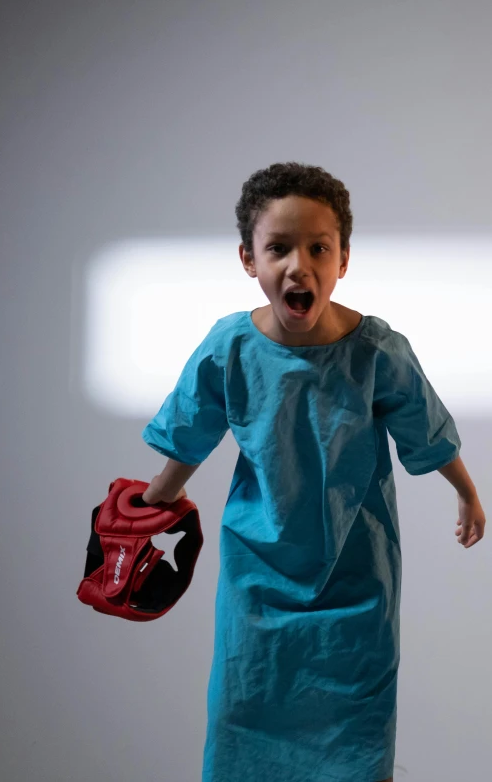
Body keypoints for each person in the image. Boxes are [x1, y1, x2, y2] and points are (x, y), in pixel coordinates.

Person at [141, 162, 486, 782]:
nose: (299, 265)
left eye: (318, 248)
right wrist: (150, 506)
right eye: (278, 248)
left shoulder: (377, 350)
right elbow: (191, 433)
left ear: (343, 259)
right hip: (258, 577)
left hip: (357, 578)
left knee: (355, 729)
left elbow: (423, 426)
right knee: (243, 712)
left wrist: (466, 492)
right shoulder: (231, 348)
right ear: (249, 260)